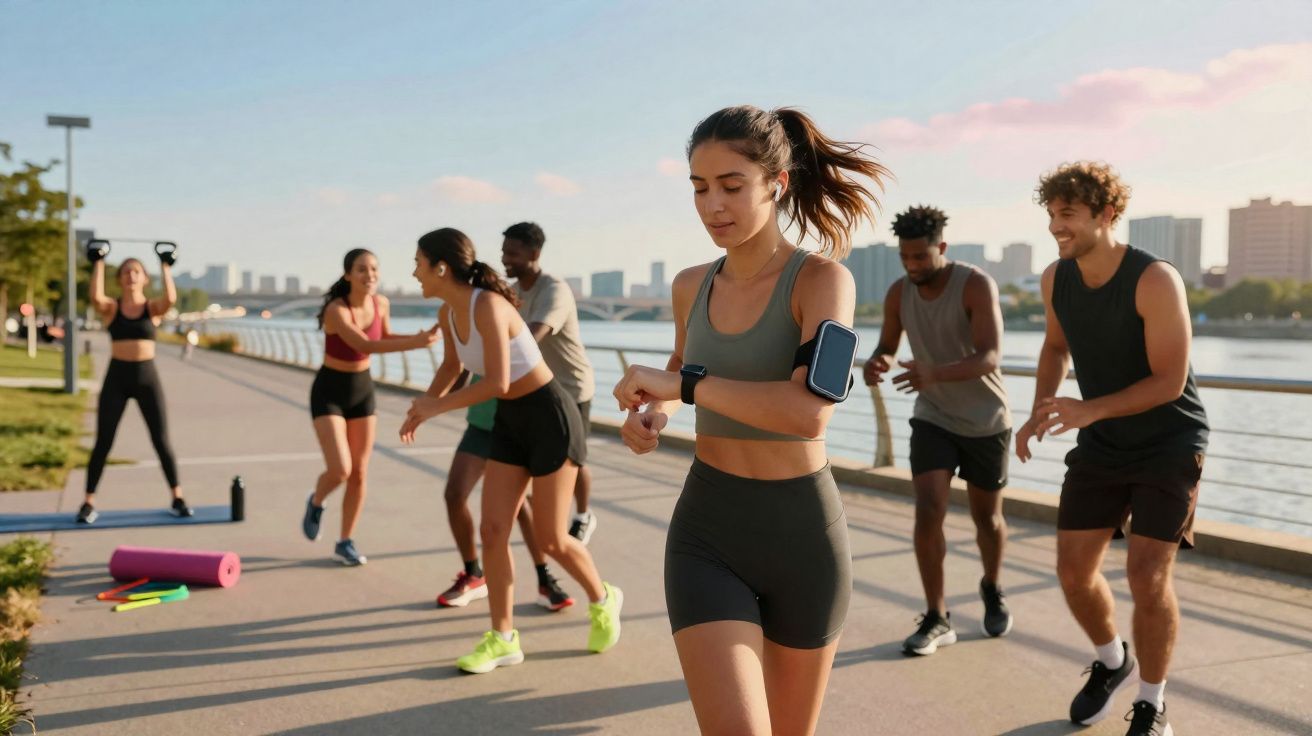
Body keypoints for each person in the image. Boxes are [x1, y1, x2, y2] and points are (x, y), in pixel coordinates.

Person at [613, 105, 888, 735]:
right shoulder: (690, 286)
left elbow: (808, 414)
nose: (713, 206)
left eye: (732, 186)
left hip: (803, 537)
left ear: (776, 184)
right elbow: (682, 372)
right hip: (708, 533)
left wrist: (682, 386)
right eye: (699, 189)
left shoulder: (823, 282)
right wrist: (650, 414)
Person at [1017, 162, 1208, 736]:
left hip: (1169, 441)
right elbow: (1054, 346)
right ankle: (1111, 661)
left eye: (1068, 214)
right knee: (1074, 572)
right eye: (1051, 214)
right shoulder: (1056, 279)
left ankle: (1152, 703)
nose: (1056, 226)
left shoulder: (1154, 280)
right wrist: (1040, 409)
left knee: (1148, 575)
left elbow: (1169, 381)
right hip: (1102, 440)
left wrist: (1088, 409)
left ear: (1105, 214)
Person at [402, 228, 621, 675]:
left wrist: (436, 406)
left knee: (551, 538)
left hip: (549, 417)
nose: (413, 272)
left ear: (441, 267)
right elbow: (451, 366)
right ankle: (503, 638)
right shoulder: (449, 313)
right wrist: (422, 408)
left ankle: (603, 597)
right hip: (510, 420)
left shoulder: (489, 305)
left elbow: (497, 381)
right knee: (494, 528)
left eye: (418, 263)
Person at [863, 204, 1014, 655]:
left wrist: (935, 373)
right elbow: (887, 345)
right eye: (905, 258)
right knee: (928, 509)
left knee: (987, 517)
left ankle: (991, 584)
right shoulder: (897, 294)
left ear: (941, 249)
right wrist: (878, 362)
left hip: (986, 419)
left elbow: (990, 355)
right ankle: (936, 616)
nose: (912, 266)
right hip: (933, 417)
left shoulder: (975, 285)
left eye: (920, 258)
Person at [301, 249, 438, 566]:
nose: (370, 275)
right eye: (362, 269)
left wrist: (419, 336)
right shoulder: (337, 310)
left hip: (362, 392)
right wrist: (416, 344)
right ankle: (317, 500)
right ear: (348, 275)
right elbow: (365, 344)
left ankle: (345, 541)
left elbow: (384, 334)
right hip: (329, 393)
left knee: (360, 474)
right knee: (340, 469)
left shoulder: (382, 304)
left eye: (374, 269)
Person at [435, 373, 574, 612]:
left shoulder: (520, 334)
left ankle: (545, 578)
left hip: (516, 427)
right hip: (481, 426)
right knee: (454, 494)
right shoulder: (467, 334)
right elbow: (459, 370)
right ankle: (473, 573)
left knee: (520, 507)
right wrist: (431, 400)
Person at [500, 221, 601, 544]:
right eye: (504, 252)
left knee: (575, 456)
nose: (505, 259)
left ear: (534, 253)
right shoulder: (513, 292)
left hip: (571, 386)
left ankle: (584, 515)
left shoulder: (553, 290)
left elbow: (531, 337)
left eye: (512, 253)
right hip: (542, 389)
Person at [80, 249, 189, 524]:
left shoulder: (152, 309)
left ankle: (177, 497)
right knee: (103, 441)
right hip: (117, 377)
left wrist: (165, 265)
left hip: (146, 378)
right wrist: (99, 262)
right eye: (126, 271)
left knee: (161, 439)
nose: (131, 275)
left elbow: (171, 298)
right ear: (119, 279)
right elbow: (94, 296)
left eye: (136, 271)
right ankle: (88, 502)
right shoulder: (112, 308)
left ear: (144, 278)